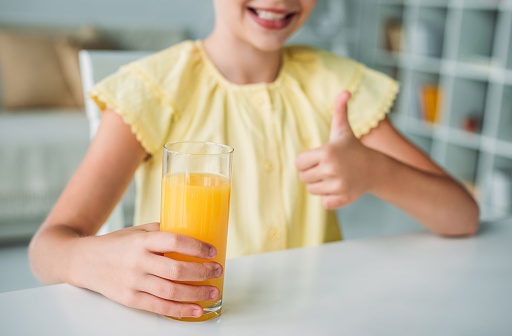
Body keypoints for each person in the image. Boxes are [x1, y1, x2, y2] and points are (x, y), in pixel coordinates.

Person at [29, 0, 479, 319]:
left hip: (318, 319)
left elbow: (462, 216)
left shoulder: (336, 87)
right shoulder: (154, 90)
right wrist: (93, 262)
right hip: (190, 318)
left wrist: (375, 169)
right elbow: (48, 248)